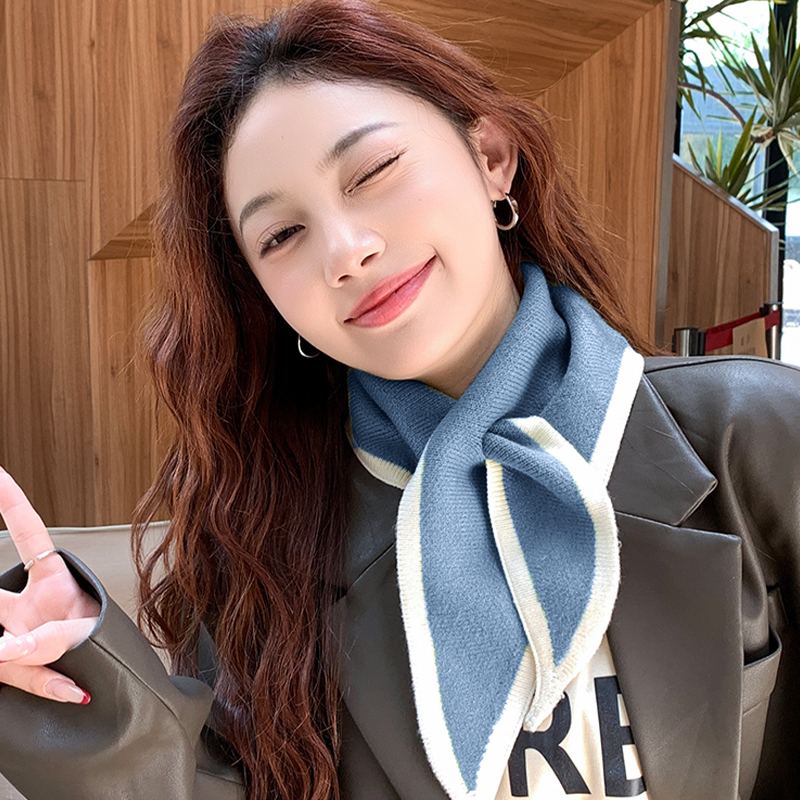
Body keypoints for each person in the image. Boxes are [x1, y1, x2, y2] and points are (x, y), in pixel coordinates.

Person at [0, 1, 798, 799]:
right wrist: (89, 693)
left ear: (491, 158)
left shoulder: (752, 434)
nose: (346, 252)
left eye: (372, 173)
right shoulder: (262, 536)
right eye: (282, 236)